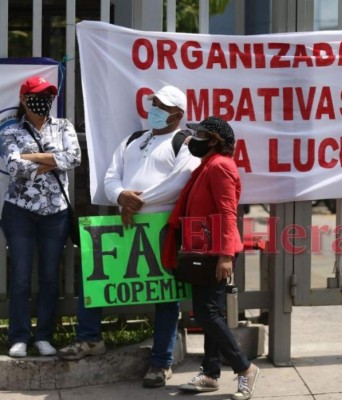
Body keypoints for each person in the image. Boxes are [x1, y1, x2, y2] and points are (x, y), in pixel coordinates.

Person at [58, 85, 200, 389]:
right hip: (123, 223)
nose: (155, 109)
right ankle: (89, 338)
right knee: (95, 276)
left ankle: (161, 363)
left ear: (178, 114)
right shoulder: (132, 140)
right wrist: (121, 195)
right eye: (154, 103)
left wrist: (136, 202)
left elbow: (181, 180)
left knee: (166, 295)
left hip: (160, 228)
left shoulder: (185, 142)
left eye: (162, 105)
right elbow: (110, 176)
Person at [162, 116, 260, 400]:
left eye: (201, 134)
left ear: (215, 141)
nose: (193, 139)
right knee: (210, 314)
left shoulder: (219, 167)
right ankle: (210, 373)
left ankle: (244, 369)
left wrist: (225, 256)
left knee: (208, 314)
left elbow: (229, 213)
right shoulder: (207, 166)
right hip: (204, 250)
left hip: (215, 253)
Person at [1, 75, 81, 358]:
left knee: (49, 276)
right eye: (37, 95)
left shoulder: (64, 126)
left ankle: (44, 335)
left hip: (56, 213)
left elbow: (73, 158)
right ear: (23, 99)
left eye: (48, 95)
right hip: (19, 212)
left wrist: (32, 158)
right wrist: (52, 159)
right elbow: (13, 166)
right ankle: (19, 336)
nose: (43, 100)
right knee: (21, 276)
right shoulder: (11, 131)